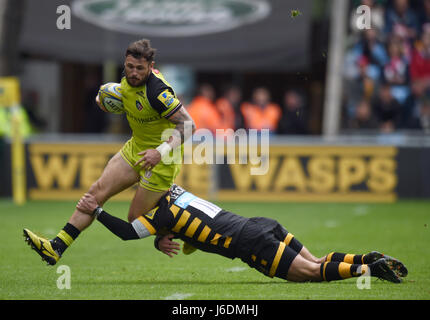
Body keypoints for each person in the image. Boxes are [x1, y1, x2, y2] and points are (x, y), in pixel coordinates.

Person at [23, 39, 196, 266]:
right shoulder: (126, 81)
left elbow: (189, 125)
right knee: (95, 194)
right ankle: (56, 247)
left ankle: (189, 232)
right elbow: (119, 99)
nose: (133, 73)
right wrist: (104, 100)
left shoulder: (158, 91)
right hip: (136, 148)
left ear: (150, 66)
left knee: (135, 219)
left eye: (139, 69)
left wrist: (160, 152)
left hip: (161, 159)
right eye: (129, 67)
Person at [72, 184, 407, 284]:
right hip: (261, 223)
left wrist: (97, 211)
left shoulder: (163, 215)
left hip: (249, 241)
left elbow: (128, 233)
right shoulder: (176, 192)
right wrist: (166, 237)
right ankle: (366, 258)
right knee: (317, 260)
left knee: (309, 274)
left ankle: (368, 270)